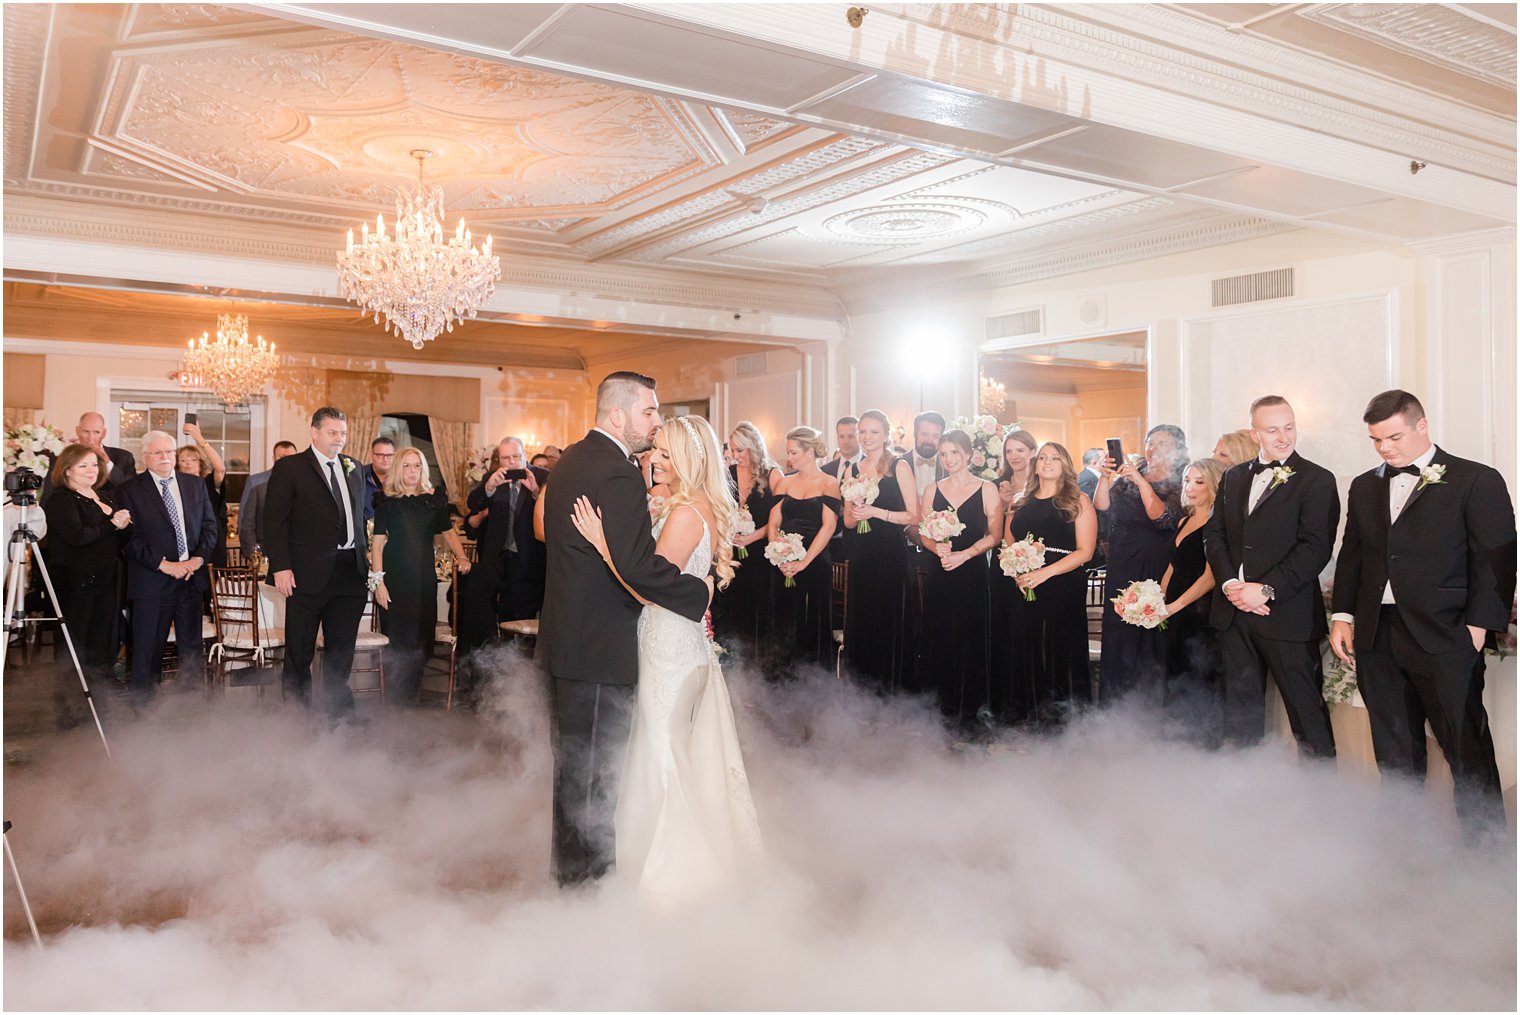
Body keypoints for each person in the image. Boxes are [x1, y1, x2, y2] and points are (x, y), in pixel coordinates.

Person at [569, 414, 762, 902]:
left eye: (667, 454)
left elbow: (649, 586)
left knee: (660, 754)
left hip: (670, 647)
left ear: (690, 460)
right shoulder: (698, 507)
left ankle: (669, 873)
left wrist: (602, 545)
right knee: (672, 751)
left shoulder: (683, 513)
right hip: (685, 643)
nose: (655, 459)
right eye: (656, 450)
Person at [538, 372, 712, 886]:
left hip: (568, 642)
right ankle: (585, 887)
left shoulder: (572, 458)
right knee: (593, 775)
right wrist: (697, 593)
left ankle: (570, 877)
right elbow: (637, 568)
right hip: (597, 647)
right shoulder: (615, 471)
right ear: (618, 415)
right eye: (650, 412)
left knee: (575, 771)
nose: (656, 423)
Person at [1330, 390, 1516, 841]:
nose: (1384, 448)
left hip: (1448, 634)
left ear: (1422, 426)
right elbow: (1353, 556)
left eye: (1393, 437)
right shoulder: (1363, 484)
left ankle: (1485, 846)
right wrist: (1343, 615)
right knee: (1393, 745)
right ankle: (1405, 843)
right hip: (1378, 635)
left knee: (1464, 742)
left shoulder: (1476, 479)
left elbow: (1496, 558)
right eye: (1376, 440)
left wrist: (1476, 627)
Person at [1203, 396, 1339, 758]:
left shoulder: (1317, 480)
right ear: (1255, 432)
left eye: (1290, 427)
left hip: (1288, 614)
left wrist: (1264, 590)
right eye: (1273, 429)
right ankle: (1248, 794)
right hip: (1233, 612)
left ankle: (1322, 797)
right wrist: (1232, 585)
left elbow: (1315, 549)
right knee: (1241, 713)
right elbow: (1213, 536)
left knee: (1306, 711)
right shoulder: (1234, 476)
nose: (1283, 437)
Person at [263, 407, 369, 716]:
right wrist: (281, 566)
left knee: (341, 650)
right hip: (306, 573)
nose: (339, 439)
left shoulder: (355, 467)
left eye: (343, 433)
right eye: (332, 433)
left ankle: (337, 714)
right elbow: (274, 522)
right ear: (314, 432)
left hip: (350, 571)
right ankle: (298, 714)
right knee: (300, 650)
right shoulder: (291, 468)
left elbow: (360, 518)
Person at [999, 442, 1097, 726]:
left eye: (1055, 458)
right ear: (1035, 463)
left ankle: (1063, 722)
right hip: (1022, 582)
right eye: (1042, 457)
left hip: (1062, 582)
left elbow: (1085, 552)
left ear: (1065, 464)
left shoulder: (1078, 500)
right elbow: (1009, 541)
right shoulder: (1019, 500)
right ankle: (1027, 716)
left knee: (1058, 647)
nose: (1047, 462)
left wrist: (1044, 573)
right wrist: (1017, 567)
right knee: (1025, 645)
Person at [117, 430, 217, 704]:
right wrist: (165, 565)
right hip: (151, 581)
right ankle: (144, 712)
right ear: (145, 457)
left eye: (169, 452)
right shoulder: (129, 490)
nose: (165, 457)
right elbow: (128, 541)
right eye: (158, 452)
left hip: (190, 580)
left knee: (191, 650)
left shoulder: (195, 485)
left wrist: (196, 560)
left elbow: (210, 528)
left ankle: (192, 707)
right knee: (148, 649)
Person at [1094, 424, 1188, 703]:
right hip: (1122, 561)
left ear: (1177, 449)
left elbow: (1163, 518)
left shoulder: (1179, 481)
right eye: (1150, 443)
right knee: (1119, 631)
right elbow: (1102, 506)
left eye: (1162, 444)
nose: (1153, 449)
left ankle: (1150, 706)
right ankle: (1115, 704)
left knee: (1149, 632)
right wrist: (1104, 477)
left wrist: (1140, 481)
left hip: (1154, 563)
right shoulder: (1128, 478)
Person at [371, 447, 472, 705]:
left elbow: (449, 533)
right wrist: (378, 582)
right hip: (394, 577)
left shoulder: (434, 499)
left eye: (417, 466)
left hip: (423, 578)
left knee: (421, 637)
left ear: (423, 469)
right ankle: (395, 699)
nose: (412, 471)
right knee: (397, 637)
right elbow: (378, 544)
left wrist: (461, 556)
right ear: (398, 469)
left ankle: (412, 696)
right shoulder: (386, 500)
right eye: (406, 466)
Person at [918, 429, 1002, 731]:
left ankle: (972, 712)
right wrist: (934, 545)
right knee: (940, 637)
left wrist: (965, 554)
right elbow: (924, 532)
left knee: (971, 638)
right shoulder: (932, 490)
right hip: (940, 571)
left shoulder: (986, 488)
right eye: (943, 454)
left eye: (954, 452)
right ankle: (941, 711)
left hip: (973, 573)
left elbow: (996, 535)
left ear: (968, 454)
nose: (948, 459)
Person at [42, 444, 131, 725]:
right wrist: (112, 526)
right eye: (83, 466)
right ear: (67, 470)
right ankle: (72, 713)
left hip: (108, 583)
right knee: (75, 647)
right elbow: (77, 537)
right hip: (76, 586)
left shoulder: (106, 496)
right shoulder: (61, 500)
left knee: (104, 645)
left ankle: (99, 707)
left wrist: (126, 526)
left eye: (94, 465)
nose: (92, 470)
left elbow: (121, 541)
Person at [840, 409, 919, 693]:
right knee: (862, 619)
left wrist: (876, 512)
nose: (866, 437)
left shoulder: (899, 466)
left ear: (885, 435)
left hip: (890, 555)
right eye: (862, 431)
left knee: (888, 620)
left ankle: (890, 689)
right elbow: (848, 520)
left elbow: (913, 516)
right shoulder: (852, 470)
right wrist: (858, 510)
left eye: (873, 432)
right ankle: (861, 690)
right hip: (862, 555)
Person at [459, 436, 549, 659]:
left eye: (516, 457)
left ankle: (521, 665)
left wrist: (536, 492)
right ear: (499, 460)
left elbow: (552, 514)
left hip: (528, 558)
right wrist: (489, 488)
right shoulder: (493, 477)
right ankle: (493, 662)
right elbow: (472, 505)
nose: (511, 462)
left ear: (524, 455)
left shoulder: (542, 476)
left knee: (522, 613)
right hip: (496, 557)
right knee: (489, 611)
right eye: (506, 458)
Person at [1157, 458, 1225, 747]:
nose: (1191, 487)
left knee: (1199, 673)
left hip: (1200, 610)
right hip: (1174, 607)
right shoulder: (1185, 519)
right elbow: (1173, 565)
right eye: (1187, 480)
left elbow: (1210, 577)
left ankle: (1203, 744)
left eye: (1199, 481)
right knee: (1175, 670)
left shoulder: (1217, 522)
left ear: (1213, 485)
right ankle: (1177, 740)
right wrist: (1155, 598)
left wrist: (1176, 605)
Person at [765, 425, 842, 680]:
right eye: (788, 452)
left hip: (816, 559)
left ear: (810, 452)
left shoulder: (829, 483)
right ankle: (784, 673)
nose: (790, 458)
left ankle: (815, 676)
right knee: (785, 615)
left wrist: (804, 561)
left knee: (815, 616)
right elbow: (773, 523)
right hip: (783, 562)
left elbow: (829, 526)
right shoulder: (784, 483)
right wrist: (780, 554)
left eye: (794, 452)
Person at [714, 421, 784, 658]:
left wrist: (753, 536)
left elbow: (780, 520)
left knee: (759, 608)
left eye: (740, 450)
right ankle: (733, 657)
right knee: (733, 605)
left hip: (761, 554)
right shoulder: (729, 473)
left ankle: (759, 661)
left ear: (754, 447)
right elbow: (721, 509)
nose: (735, 456)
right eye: (732, 450)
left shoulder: (773, 474)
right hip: (733, 553)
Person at [40, 411, 137, 501]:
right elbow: (49, 493)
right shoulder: (61, 458)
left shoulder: (123, 457)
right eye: (86, 431)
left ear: (104, 433)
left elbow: (129, 490)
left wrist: (107, 463)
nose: (91, 438)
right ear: (77, 431)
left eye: (96, 432)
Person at [177, 424, 228, 569]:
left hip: (211, 544)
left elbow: (220, 468)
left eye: (193, 460)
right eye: (183, 460)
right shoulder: (173, 486)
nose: (188, 463)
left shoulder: (208, 483)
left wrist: (200, 439)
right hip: (184, 546)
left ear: (200, 464)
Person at [236, 440, 298, 557]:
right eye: (281, 457)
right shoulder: (255, 482)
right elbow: (245, 522)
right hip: (264, 551)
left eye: (291, 457)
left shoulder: (303, 483)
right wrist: (253, 554)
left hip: (295, 551)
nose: (286, 461)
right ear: (274, 458)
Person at [363, 436, 396, 521]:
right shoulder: (358, 476)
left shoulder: (402, 478)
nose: (385, 459)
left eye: (389, 455)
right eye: (380, 455)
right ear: (371, 455)